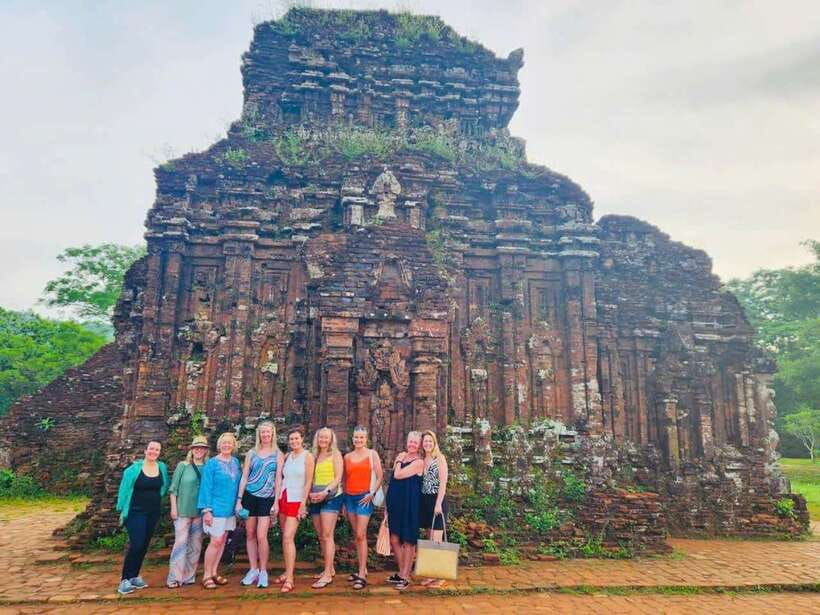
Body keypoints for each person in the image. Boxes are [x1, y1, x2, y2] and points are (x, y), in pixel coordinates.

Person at [115, 440, 170, 595]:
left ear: (159, 452)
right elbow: (124, 491)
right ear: (145, 451)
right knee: (136, 544)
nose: (154, 452)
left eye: (157, 450)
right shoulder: (133, 470)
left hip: (152, 512)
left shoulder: (162, 467)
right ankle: (124, 579)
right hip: (135, 512)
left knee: (144, 544)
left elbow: (164, 486)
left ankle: (134, 576)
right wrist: (121, 510)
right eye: (151, 449)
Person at [236, 420, 282, 588]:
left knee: (262, 536)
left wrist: (276, 502)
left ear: (272, 434)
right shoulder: (251, 453)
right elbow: (245, 476)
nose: (265, 435)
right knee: (250, 534)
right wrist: (239, 500)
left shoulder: (278, 454)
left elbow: (278, 479)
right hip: (249, 496)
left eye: (268, 432)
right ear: (259, 434)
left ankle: (263, 571)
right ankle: (253, 569)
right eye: (263, 432)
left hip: (267, 498)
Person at [197, 432, 241, 589]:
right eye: (224, 443)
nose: (227, 445)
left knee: (222, 541)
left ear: (233, 445)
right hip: (215, 509)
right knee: (215, 541)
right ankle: (206, 575)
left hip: (229, 510)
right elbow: (206, 487)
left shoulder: (236, 462)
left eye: (229, 443)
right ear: (219, 445)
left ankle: (214, 572)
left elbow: (238, 486)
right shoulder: (212, 463)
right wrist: (206, 510)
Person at [342, 426, 383, 590]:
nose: (358, 440)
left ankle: (361, 573)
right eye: (356, 437)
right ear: (353, 439)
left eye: (361, 438)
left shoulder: (372, 454)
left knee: (360, 534)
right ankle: (362, 567)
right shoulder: (347, 457)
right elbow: (344, 480)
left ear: (366, 439)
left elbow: (380, 476)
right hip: (350, 498)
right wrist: (344, 502)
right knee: (357, 535)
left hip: (364, 498)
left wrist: (372, 494)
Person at [166, 435, 210, 588]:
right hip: (183, 510)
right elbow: (173, 489)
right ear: (192, 450)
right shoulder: (182, 466)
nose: (199, 450)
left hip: (199, 511)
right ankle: (174, 577)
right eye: (196, 447)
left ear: (205, 451)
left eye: (202, 448)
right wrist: (173, 507)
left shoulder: (208, 467)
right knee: (180, 543)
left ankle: (188, 576)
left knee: (195, 545)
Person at [276, 426, 314, 593]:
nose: (294, 441)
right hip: (284, 497)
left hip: (297, 500)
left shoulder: (308, 457)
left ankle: (290, 579)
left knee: (287, 537)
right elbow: (282, 478)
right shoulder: (287, 456)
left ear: (302, 439)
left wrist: (303, 504)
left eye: (297, 438)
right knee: (285, 539)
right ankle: (287, 571)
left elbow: (308, 481)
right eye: (291, 439)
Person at [385, 431, 424, 590]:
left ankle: (406, 576)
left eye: (415, 442)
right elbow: (393, 480)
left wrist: (399, 460)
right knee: (394, 539)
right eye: (410, 441)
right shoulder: (402, 457)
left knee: (408, 540)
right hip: (396, 504)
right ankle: (402, 573)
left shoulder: (418, 461)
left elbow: (399, 474)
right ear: (406, 441)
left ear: (419, 445)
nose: (412, 444)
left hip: (410, 505)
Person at [307, 427, 344, 589]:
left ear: (331, 439)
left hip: (331, 497)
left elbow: (338, 477)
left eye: (326, 437)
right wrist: (310, 493)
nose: (323, 440)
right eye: (321, 437)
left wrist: (325, 491)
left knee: (328, 535)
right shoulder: (313, 456)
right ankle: (329, 568)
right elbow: (309, 477)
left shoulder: (335, 454)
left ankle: (328, 574)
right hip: (315, 497)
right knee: (321, 535)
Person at [418, 430, 450, 588]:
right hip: (425, 502)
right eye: (425, 441)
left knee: (437, 541)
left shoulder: (440, 458)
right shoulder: (423, 459)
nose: (428, 444)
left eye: (430, 441)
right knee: (429, 539)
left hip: (438, 501)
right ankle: (431, 575)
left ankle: (441, 576)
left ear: (435, 442)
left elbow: (443, 483)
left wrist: (438, 504)